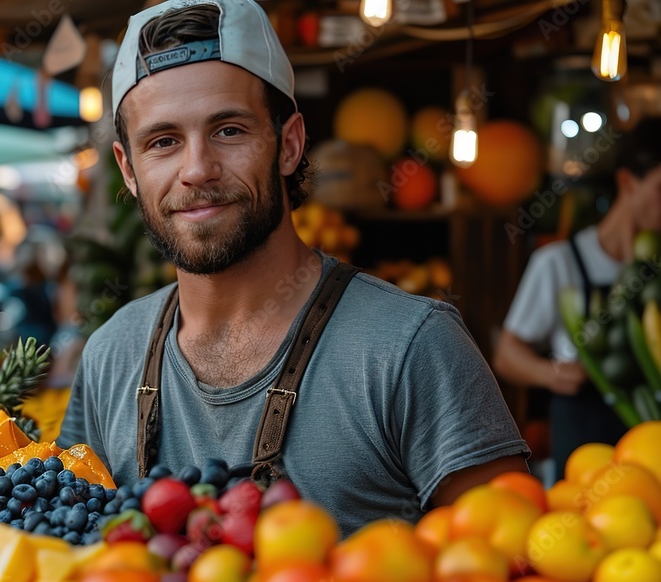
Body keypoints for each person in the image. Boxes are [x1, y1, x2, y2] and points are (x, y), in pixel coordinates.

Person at [58, 0, 530, 537]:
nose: (196, 169)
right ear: (129, 169)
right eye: (163, 142)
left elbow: (507, 573)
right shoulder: (110, 356)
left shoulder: (410, 347)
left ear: (289, 145)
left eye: (229, 131)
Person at [494, 117, 661, 481]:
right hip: (584, 448)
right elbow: (507, 355)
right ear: (627, 182)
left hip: (653, 447)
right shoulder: (559, 262)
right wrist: (550, 372)